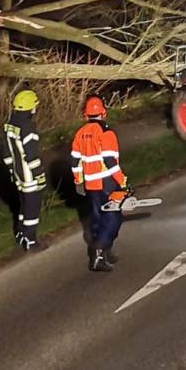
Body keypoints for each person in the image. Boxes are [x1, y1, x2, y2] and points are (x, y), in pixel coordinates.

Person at [71, 95, 129, 272]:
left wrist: (78, 181)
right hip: (107, 183)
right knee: (113, 218)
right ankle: (99, 252)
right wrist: (122, 181)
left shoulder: (80, 134)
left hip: (91, 184)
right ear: (103, 112)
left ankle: (105, 251)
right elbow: (110, 161)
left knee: (97, 218)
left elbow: (75, 162)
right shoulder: (106, 132)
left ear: (86, 115)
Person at [3, 90, 47, 251]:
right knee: (32, 208)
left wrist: (11, 170)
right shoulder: (27, 127)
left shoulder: (10, 125)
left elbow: (6, 152)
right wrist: (39, 175)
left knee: (23, 205)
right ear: (31, 108)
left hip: (17, 174)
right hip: (29, 176)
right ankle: (31, 240)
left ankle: (21, 234)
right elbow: (32, 155)